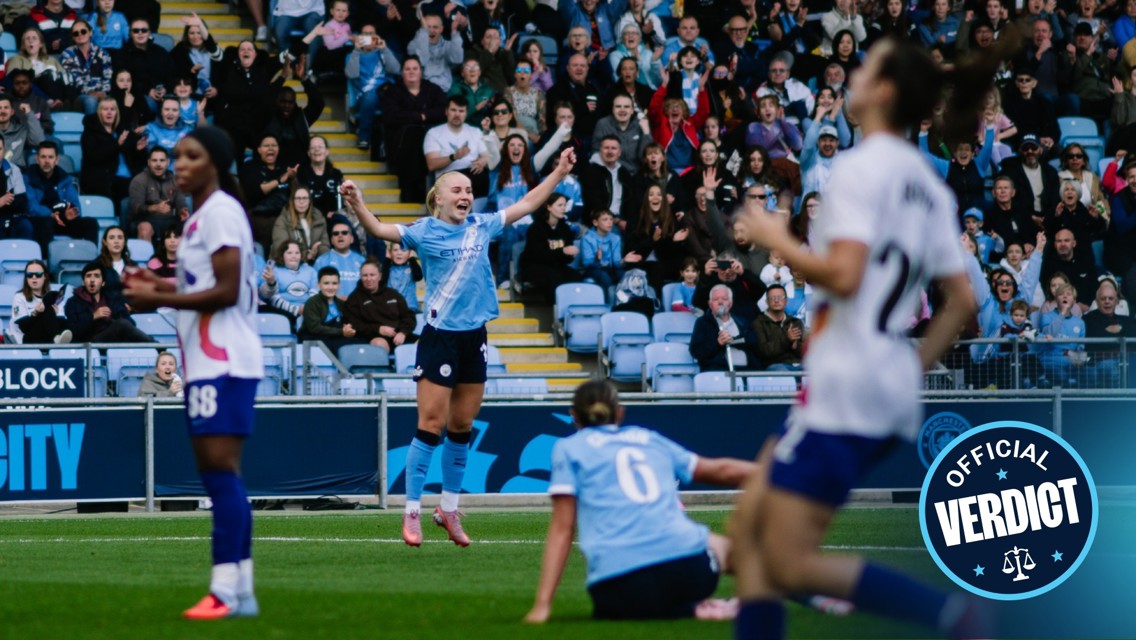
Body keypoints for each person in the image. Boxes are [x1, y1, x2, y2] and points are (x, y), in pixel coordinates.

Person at [729, 36, 1002, 640]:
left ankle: (955, 618)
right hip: (880, 384)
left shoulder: (853, 169)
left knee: (781, 559)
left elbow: (847, 276)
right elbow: (963, 303)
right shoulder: (928, 183)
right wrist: (908, 369)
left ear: (881, 92)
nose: (852, 76)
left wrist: (775, 235)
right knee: (749, 530)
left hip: (846, 385)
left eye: (865, 67)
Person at [339, 145, 578, 547]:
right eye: (457, 189)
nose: (465, 195)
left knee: (462, 427)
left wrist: (558, 172)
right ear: (439, 197)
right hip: (440, 339)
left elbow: (527, 203)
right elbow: (380, 231)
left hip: (474, 338)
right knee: (430, 426)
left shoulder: (482, 225)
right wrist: (358, 203)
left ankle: (448, 509)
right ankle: (411, 511)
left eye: (468, 189)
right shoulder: (423, 231)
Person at [123, 126, 263, 620]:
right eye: (177, 156)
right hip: (213, 358)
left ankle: (225, 590)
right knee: (221, 473)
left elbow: (225, 290)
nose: (179, 163)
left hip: (221, 359)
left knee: (220, 473)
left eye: (191, 156)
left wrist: (157, 296)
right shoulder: (209, 215)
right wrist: (160, 281)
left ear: (216, 163)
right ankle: (241, 591)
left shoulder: (220, 210)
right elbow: (205, 281)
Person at [523, 380, 758, 623]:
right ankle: (792, 590)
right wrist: (784, 474)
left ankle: (691, 609)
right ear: (620, 412)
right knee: (741, 552)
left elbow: (562, 529)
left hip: (616, 591)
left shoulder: (568, 448)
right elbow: (721, 470)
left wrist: (542, 605)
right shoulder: (648, 438)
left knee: (628, 602)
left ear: (575, 416)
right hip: (690, 573)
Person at [26, 141, 100, 250]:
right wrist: (51, 214)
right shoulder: (28, 178)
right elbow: (32, 207)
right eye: (43, 157)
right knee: (46, 223)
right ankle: (46, 262)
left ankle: (90, 260)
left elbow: (75, 205)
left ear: (56, 160)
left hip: (62, 219)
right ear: (37, 159)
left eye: (50, 157)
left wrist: (70, 213)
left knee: (91, 223)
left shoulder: (65, 178)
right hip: (40, 220)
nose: (47, 161)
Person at [65, 261, 153, 343]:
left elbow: (131, 324)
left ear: (103, 283)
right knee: (121, 324)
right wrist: (93, 317)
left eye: (96, 276)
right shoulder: (73, 303)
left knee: (122, 324)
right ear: (83, 282)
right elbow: (73, 332)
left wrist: (112, 321)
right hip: (90, 343)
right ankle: (156, 346)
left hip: (114, 341)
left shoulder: (112, 300)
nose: (92, 280)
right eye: (88, 276)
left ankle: (153, 346)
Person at [345, 25, 401, 151]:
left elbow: (396, 70)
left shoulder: (384, 51)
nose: (369, 37)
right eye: (365, 34)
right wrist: (356, 51)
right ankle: (364, 136)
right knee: (370, 96)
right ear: (360, 37)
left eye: (371, 33)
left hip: (385, 93)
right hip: (364, 96)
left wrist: (385, 49)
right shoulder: (353, 54)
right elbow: (351, 74)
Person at [342, 258, 417, 352]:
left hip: (399, 336)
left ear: (380, 276)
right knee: (379, 345)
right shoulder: (354, 298)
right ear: (360, 277)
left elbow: (408, 316)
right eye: (365, 275)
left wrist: (403, 332)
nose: (368, 279)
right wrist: (378, 329)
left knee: (426, 342)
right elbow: (354, 323)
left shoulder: (393, 294)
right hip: (374, 337)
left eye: (372, 275)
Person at [424, 96, 490, 197]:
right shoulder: (434, 133)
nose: (457, 114)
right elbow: (431, 164)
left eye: (461, 111)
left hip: (474, 176)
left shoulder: (475, 132)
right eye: (453, 110)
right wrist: (454, 156)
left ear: (466, 113)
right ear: (446, 111)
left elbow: (487, 156)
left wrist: (482, 162)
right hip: (448, 177)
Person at [519, 193, 580, 302]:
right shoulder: (536, 228)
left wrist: (571, 255)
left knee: (575, 276)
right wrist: (563, 251)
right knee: (554, 278)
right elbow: (539, 256)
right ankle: (556, 313)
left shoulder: (565, 228)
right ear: (549, 207)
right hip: (533, 266)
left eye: (564, 205)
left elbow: (566, 259)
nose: (563, 208)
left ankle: (573, 313)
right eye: (560, 205)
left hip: (555, 266)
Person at [689, 284, 759, 371]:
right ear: (710, 304)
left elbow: (754, 343)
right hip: (718, 371)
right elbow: (696, 351)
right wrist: (718, 343)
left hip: (747, 370)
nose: (720, 302)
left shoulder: (742, 321)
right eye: (716, 299)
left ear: (730, 303)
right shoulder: (703, 323)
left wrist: (735, 340)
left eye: (724, 299)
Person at [129, 146, 188, 240]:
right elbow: (136, 207)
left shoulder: (175, 180)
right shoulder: (139, 180)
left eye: (162, 160)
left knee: (189, 227)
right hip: (145, 220)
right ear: (149, 162)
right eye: (154, 160)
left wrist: (183, 210)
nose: (158, 164)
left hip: (169, 220)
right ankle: (147, 255)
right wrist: (154, 208)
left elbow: (180, 201)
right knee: (145, 229)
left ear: (168, 162)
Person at [10, 259, 71, 345]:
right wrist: (35, 313)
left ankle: (57, 339)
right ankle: (57, 338)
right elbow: (23, 327)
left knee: (50, 309)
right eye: (30, 275)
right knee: (48, 309)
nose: (34, 277)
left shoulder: (53, 295)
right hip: (28, 339)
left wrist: (55, 315)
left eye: (38, 275)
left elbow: (62, 323)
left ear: (45, 276)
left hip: (48, 337)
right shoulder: (19, 297)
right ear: (26, 278)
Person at [299, 265, 358, 354]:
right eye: (326, 283)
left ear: (339, 285)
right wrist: (341, 331)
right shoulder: (312, 302)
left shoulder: (341, 303)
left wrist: (349, 329)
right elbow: (314, 328)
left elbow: (348, 321)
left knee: (360, 342)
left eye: (334, 283)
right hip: (316, 339)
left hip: (336, 337)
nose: (330, 287)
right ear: (318, 285)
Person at [258, 240, 317, 321]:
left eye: (297, 253)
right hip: (283, 313)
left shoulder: (311, 271)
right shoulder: (274, 271)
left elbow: (315, 294)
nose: (294, 256)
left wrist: (307, 309)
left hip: (309, 312)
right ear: (282, 255)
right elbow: (271, 298)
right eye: (289, 253)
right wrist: (296, 310)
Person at [408, 14, 464, 92]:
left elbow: (458, 60)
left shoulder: (448, 45)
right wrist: (424, 33)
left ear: (441, 29)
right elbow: (422, 62)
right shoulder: (414, 44)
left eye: (435, 27)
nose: (431, 30)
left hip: (445, 88)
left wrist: (455, 33)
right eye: (428, 27)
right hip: (423, 90)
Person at [271, 186, 329, 261]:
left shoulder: (318, 219)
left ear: (310, 201)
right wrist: (307, 256)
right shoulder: (282, 220)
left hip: (315, 263)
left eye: (305, 198)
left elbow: (324, 245)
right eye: (298, 198)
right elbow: (281, 248)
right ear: (292, 201)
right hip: (288, 265)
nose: (301, 202)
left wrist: (322, 260)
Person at [313, 220, 365, 294]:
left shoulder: (362, 260)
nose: (340, 235)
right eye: (336, 233)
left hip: (357, 304)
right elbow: (315, 289)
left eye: (344, 233)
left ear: (352, 239)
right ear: (332, 240)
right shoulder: (321, 261)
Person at [0, 96, 45, 170]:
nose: (2, 111)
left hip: (19, 172)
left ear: (12, 112)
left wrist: (29, 113)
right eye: (0, 108)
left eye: (6, 107)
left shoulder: (22, 131)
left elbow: (39, 141)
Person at [0, 137, 32, 241]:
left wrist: (5, 202)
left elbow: (21, 201)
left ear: (4, 150)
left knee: (25, 226)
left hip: (11, 216)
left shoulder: (14, 169)